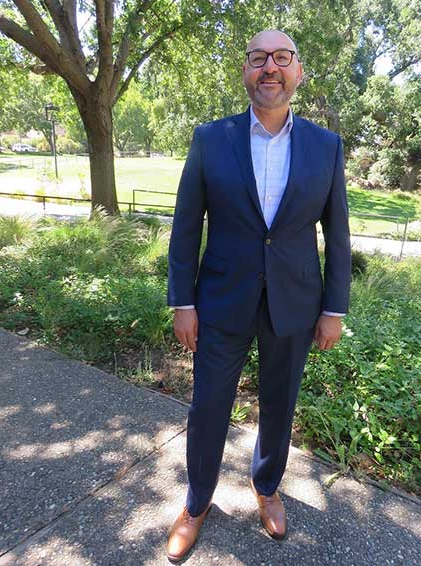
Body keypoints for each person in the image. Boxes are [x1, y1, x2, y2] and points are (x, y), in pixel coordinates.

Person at [166, 29, 351, 562]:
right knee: (208, 407)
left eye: (282, 57)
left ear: (298, 72)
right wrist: (183, 302)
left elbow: (338, 235)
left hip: (295, 303)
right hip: (221, 302)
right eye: (258, 58)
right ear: (245, 71)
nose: (270, 67)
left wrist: (334, 309)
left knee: (279, 405)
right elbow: (185, 226)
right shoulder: (210, 139)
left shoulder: (326, 146)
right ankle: (196, 503)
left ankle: (266, 487)